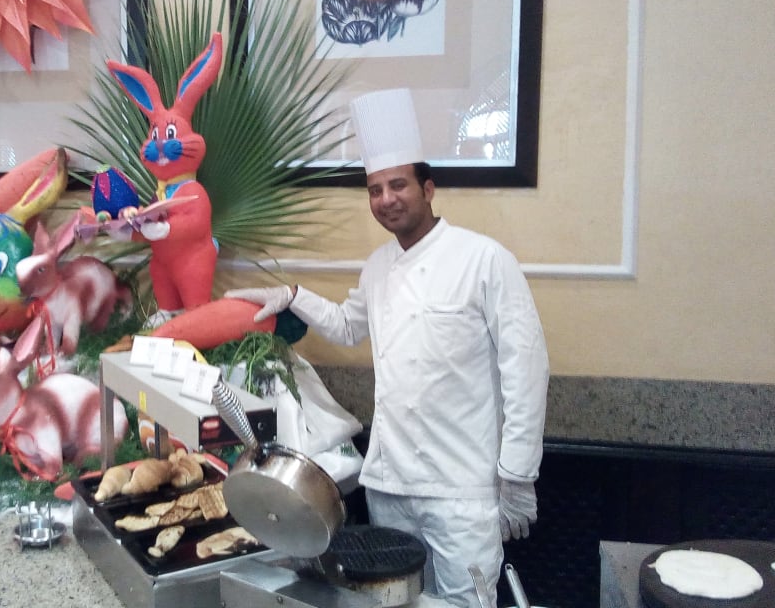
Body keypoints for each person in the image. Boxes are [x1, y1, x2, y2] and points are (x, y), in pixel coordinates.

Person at [225, 88, 549, 608]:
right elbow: (348, 326)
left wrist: (517, 475)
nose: (386, 199)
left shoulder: (484, 260)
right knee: (394, 602)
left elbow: (526, 369)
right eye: (375, 189)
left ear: (428, 188)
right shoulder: (378, 266)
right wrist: (292, 296)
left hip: (460, 490)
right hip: (389, 484)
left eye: (398, 185)